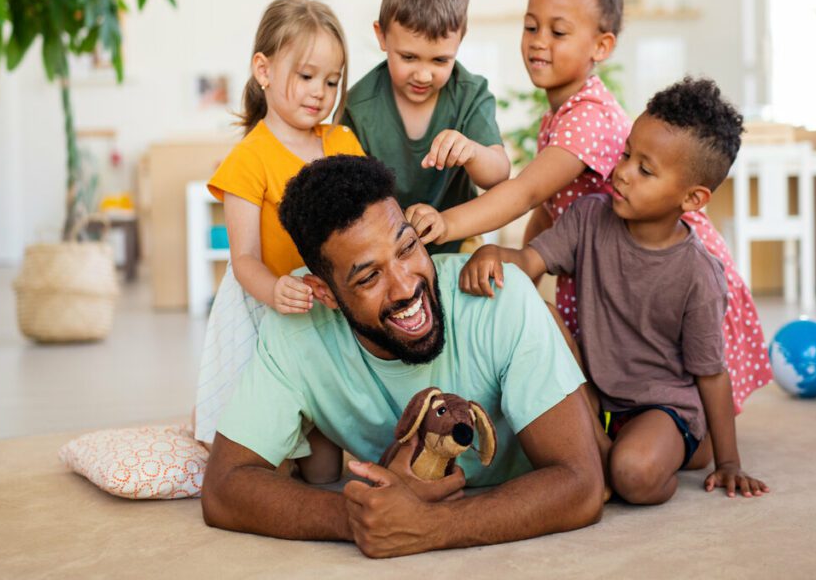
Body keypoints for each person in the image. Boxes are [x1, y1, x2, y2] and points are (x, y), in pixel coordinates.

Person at [407, 0, 771, 411]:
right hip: (611, 261)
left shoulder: (588, 118)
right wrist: (525, 273)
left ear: (601, 46)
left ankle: (694, 431)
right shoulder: (561, 113)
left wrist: (446, 222)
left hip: (658, 265)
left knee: (678, 387)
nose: (539, 42)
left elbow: (526, 193)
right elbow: (549, 213)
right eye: (531, 26)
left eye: (558, 32)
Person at [200, 155, 603, 558]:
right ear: (325, 293)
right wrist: (358, 516)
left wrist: (430, 525)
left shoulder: (500, 296)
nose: (405, 287)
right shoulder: (297, 329)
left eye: (407, 248)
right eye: (369, 277)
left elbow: (581, 484)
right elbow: (224, 487)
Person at [459, 78, 770, 503]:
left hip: (662, 407)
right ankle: (606, 449)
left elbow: (710, 373)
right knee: (543, 315)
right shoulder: (588, 217)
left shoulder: (699, 274)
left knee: (633, 474)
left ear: (692, 199)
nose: (621, 172)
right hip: (596, 396)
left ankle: (682, 447)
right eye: (626, 154)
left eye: (645, 170)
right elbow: (530, 261)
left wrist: (729, 462)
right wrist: (494, 253)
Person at [193, 0, 365, 445]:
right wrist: (275, 290)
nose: (320, 92)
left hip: (331, 311)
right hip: (271, 309)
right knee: (270, 450)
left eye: (331, 81)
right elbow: (244, 259)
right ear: (263, 71)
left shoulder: (343, 142)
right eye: (306, 76)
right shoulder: (249, 158)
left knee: (323, 463)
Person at [343, 0, 511, 253]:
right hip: (384, 249)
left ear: (460, 39)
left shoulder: (469, 94)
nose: (423, 75)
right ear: (382, 36)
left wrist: (472, 151)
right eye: (408, 57)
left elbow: (499, 174)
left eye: (440, 60)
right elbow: (347, 198)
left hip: (458, 243)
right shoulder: (358, 107)